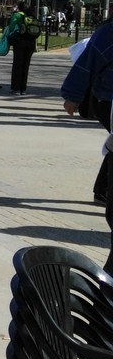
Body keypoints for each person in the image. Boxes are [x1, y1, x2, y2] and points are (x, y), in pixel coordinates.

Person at [62, 19, 113, 216]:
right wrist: (73, 95)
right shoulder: (108, 32)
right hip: (108, 99)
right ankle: (104, 192)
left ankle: (103, 190)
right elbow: (88, 62)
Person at [5, 3, 40, 95]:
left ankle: (15, 88)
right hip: (31, 43)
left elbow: (12, 27)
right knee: (25, 66)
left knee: (17, 65)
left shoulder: (17, 15)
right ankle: (23, 89)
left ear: (19, 8)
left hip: (20, 42)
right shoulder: (32, 16)